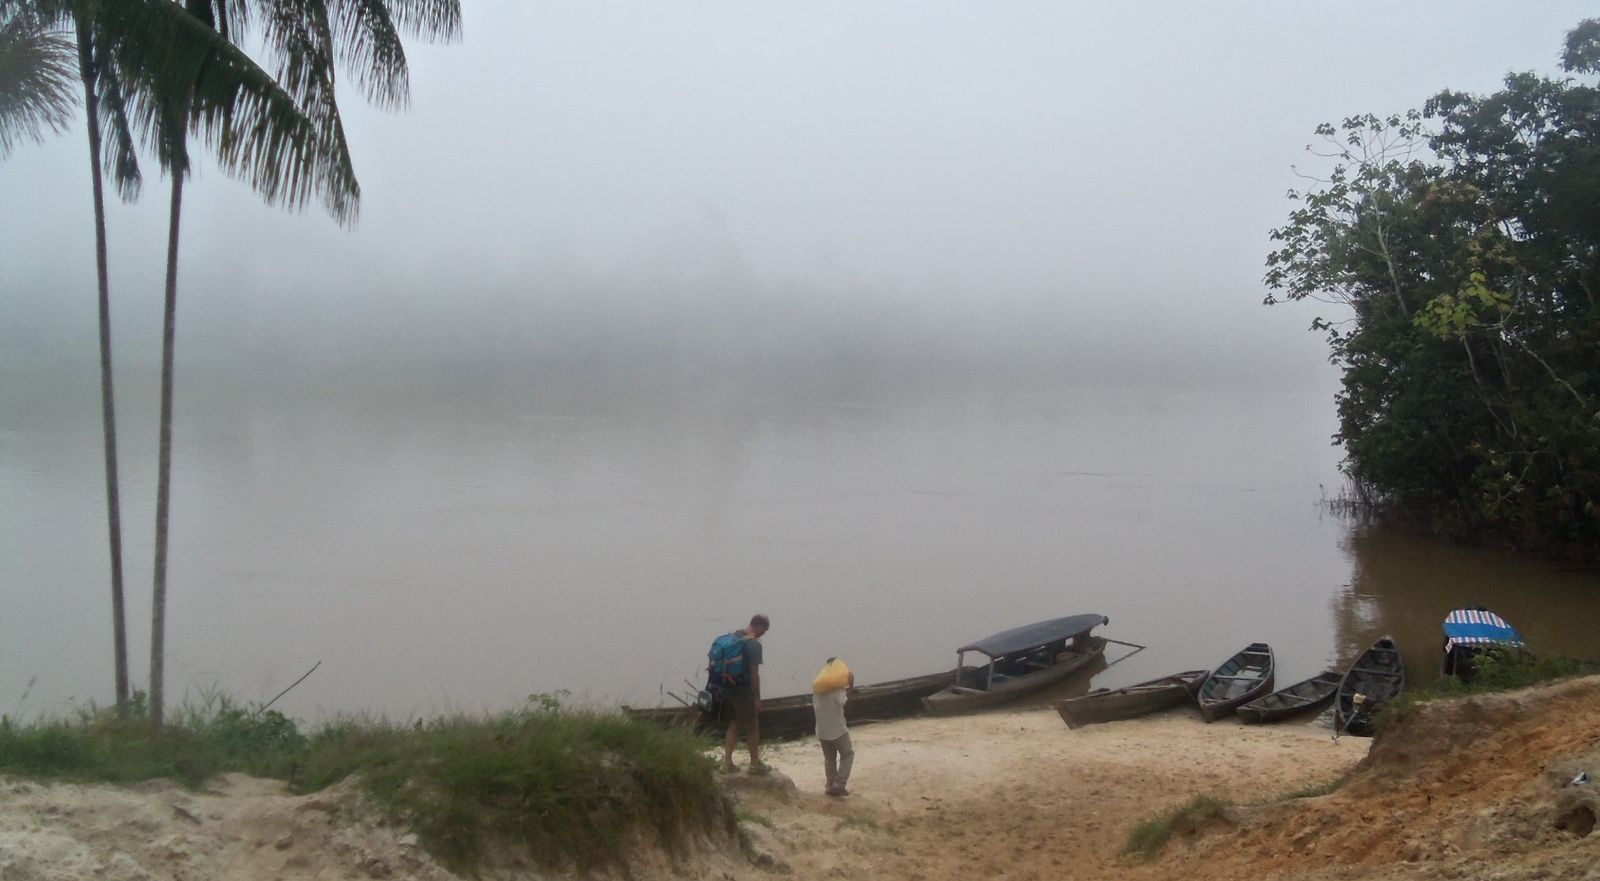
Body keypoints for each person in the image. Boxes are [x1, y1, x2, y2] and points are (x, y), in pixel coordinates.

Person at [720, 614, 770, 774]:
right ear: (759, 627)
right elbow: (754, 674)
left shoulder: (734, 637)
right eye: (764, 631)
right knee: (752, 725)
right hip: (743, 690)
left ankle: (727, 762)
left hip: (728, 687)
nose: (763, 635)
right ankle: (755, 764)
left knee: (735, 723)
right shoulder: (753, 644)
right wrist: (757, 698)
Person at [812, 658, 855, 796]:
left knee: (829, 758)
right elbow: (845, 704)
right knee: (847, 754)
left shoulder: (818, 690)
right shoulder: (836, 690)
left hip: (822, 730)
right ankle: (839, 784)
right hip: (837, 729)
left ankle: (830, 785)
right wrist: (851, 686)